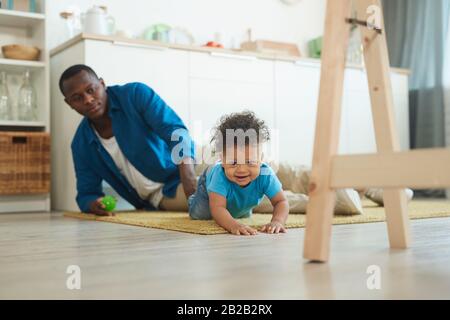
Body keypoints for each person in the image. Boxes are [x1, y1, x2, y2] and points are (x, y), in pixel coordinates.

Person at [59, 64, 196, 216]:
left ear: (102, 84)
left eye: (91, 90)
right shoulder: (81, 145)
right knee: (215, 199)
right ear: (69, 103)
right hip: (164, 194)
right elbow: (87, 193)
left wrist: (189, 176)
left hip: (186, 167)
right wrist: (94, 204)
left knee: (222, 166)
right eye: (77, 98)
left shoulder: (135, 94)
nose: (88, 100)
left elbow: (176, 132)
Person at [188, 111, 289, 236]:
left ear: (260, 159)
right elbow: (217, 208)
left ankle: (240, 209)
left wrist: (278, 221)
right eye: (233, 162)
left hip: (237, 199)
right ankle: (193, 199)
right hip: (208, 187)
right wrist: (233, 225)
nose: (241, 169)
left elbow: (281, 202)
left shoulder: (265, 174)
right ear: (223, 160)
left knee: (240, 213)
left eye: (250, 162)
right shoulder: (220, 175)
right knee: (201, 214)